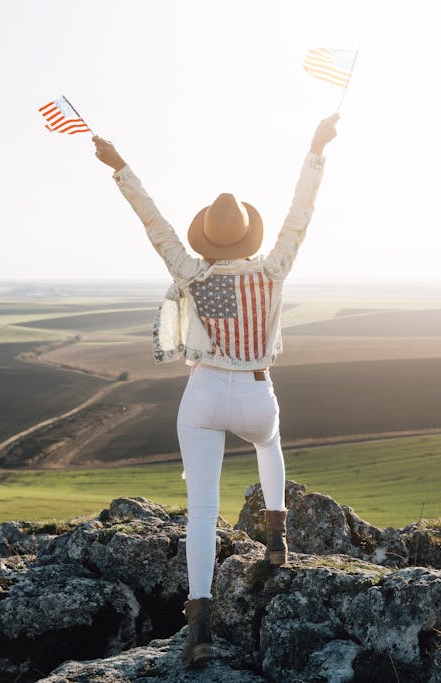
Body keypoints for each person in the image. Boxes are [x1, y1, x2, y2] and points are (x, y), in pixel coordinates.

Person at [92, 113, 338, 669]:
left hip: (202, 394)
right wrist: (316, 148)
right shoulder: (273, 270)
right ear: (248, 235)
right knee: (269, 444)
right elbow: (301, 214)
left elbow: (153, 223)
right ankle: (276, 534)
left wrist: (120, 167)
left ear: (208, 237)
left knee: (201, 512)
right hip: (256, 391)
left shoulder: (191, 274)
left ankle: (198, 626)